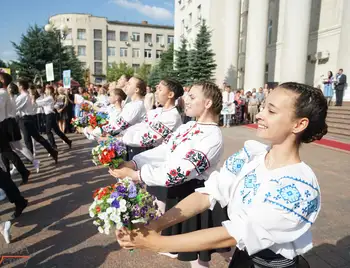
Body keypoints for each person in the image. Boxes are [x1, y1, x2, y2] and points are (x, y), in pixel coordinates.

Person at [116, 82, 327, 268]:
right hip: (242, 260)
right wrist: (155, 225)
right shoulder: (251, 155)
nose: (260, 114)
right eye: (263, 107)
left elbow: (237, 233)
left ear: (299, 124)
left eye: (271, 111)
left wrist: (155, 242)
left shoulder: (300, 185)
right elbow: (208, 193)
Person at [110, 82, 231, 267]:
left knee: (217, 251)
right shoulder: (187, 127)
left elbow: (179, 173)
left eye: (192, 97)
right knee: (198, 254)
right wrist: (133, 163)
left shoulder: (212, 136)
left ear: (207, 103)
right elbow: (165, 151)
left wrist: (137, 175)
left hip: (199, 198)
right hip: (182, 196)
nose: (186, 100)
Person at [16, 79, 58, 163]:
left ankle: (30, 157)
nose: (17, 86)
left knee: (28, 139)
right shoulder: (27, 95)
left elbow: (14, 107)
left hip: (25, 119)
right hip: (29, 118)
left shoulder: (22, 96)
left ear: (21, 86)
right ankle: (52, 151)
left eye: (18, 85)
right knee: (36, 138)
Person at [0, 73, 31, 184]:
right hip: (5, 123)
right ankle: (10, 175)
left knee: (10, 151)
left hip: (4, 124)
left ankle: (24, 170)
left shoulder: (3, 93)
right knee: (5, 152)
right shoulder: (4, 93)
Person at [8, 83, 40, 176]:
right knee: (12, 149)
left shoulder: (12, 98)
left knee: (19, 147)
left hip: (9, 123)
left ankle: (34, 163)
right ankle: (16, 167)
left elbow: (13, 110)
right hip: (9, 123)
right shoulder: (11, 97)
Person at [35, 86, 72, 150]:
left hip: (50, 115)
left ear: (49, 90)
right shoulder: (47, 97)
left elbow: (39, 103)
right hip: (48, 115)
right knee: (57, 131)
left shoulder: (49, 98)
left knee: (48, 131)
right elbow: (41, 102)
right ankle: (68, 141)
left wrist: (34, 100)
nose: (45, 91)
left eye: (46, 90)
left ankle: (53, 146)